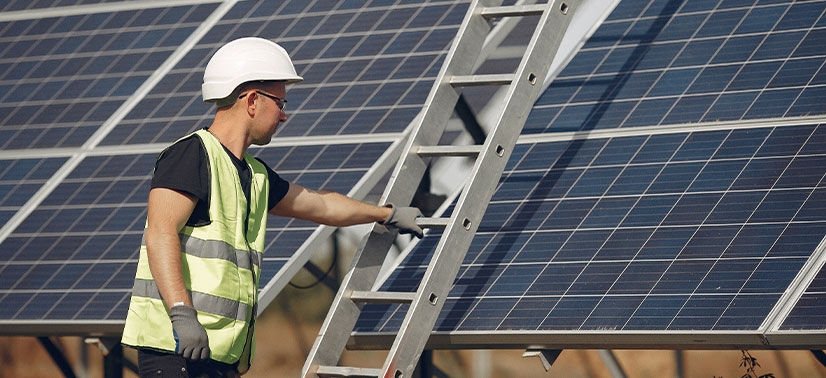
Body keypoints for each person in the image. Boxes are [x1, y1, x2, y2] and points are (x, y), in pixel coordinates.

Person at [121, 37, 423, 378]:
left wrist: (387, 214)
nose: (284, 114)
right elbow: (161, 234)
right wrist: (181, 314)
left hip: (218, 356)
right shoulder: (191, 154)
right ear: (252, 100)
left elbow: (321, 205)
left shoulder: (255, 175)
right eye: (279, 102)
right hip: (175, 349)